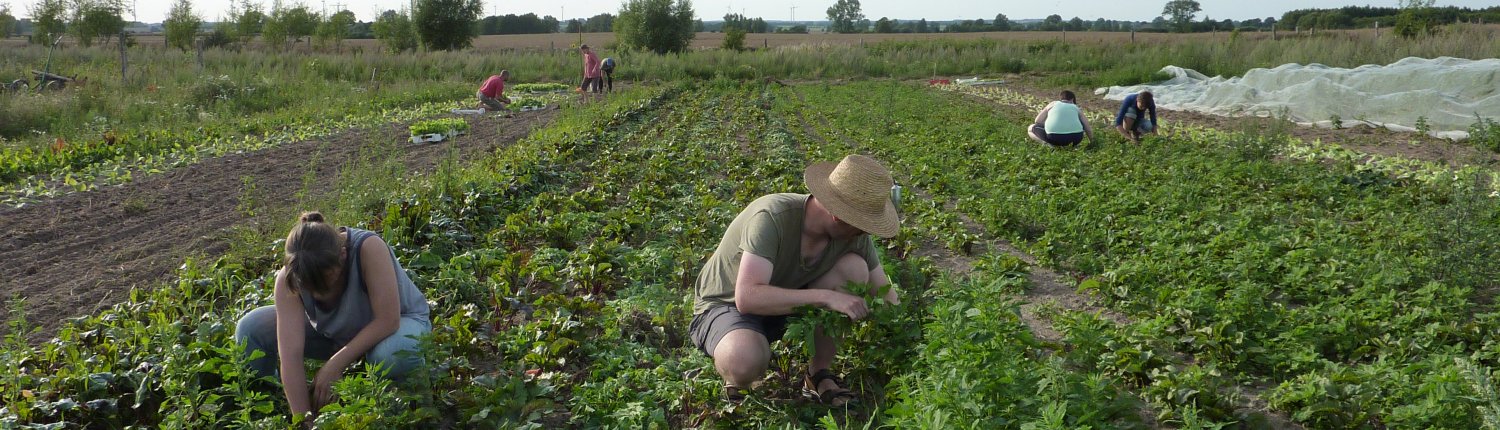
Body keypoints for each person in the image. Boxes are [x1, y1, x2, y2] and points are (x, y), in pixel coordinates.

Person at [690, 154, 902, 407]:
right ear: (839, 216)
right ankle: (737, 375)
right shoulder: (772, 217)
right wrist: (827, 297)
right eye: (862, 226)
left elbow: (886, 295)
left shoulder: (853, 236)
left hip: (788, 304)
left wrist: (908, 336)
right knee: (743, 359)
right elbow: (747, 298)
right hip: (727, 305)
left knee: (854, 268)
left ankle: (818, 374)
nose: (864, 233)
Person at [234, 212, 431, 424]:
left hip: (396, 327)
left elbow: (388, 320)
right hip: (337, 335)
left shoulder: (368, 248)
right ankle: (266, 406)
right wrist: (305, 421)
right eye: (311, 289)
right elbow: (290, 357)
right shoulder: (291, 278)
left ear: (343, 255)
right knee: (251, 328)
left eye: (328, 282)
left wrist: (334, 365)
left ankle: (413, 405)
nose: (320, 295)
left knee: (392, 354)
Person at [1027, 90, 1095, 148]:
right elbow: (1088, 128)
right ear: (1072, 100)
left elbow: (1037, 121)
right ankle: (1073, 146)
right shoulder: (1076, 108)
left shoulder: (1052, 104)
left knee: (1031, 128)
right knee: (1081, 122)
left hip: (1054, 138)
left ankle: (1047, 145)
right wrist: (1092, 142)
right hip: (1076, 139)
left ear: (1060, 98)